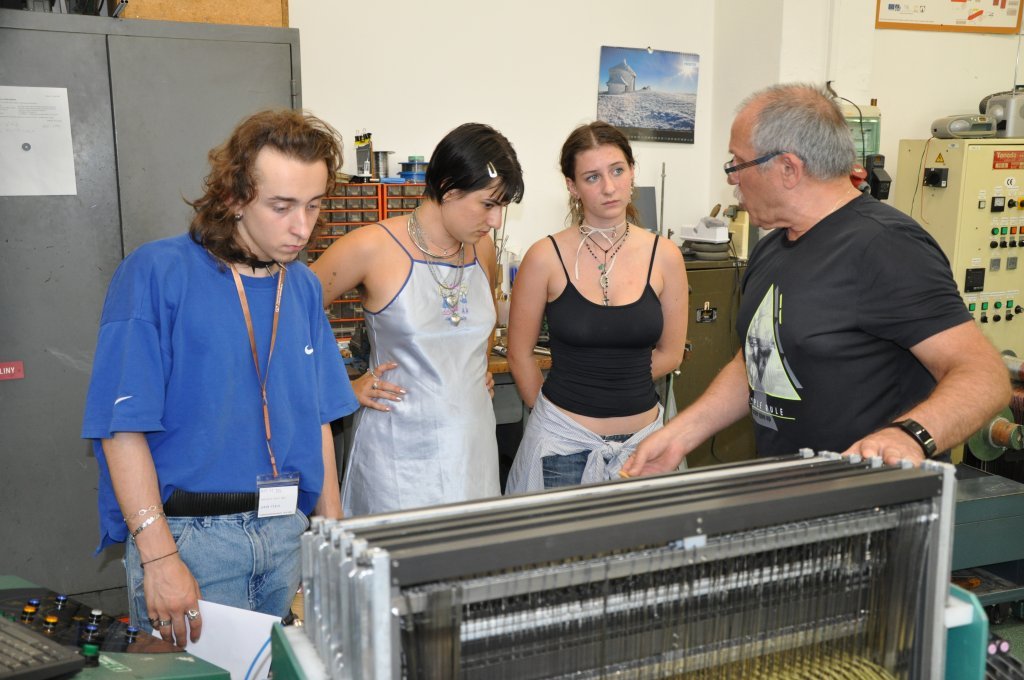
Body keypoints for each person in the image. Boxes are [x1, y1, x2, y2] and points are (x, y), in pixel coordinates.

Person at [622, 83, 1011, 476]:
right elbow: (759, 358)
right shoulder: (771, 248)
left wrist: (909, 436)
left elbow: (985, 375)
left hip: (872, 500)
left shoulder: (886, 246)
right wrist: (681, 433)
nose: (732, 179)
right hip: (790, 492)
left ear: (788, 168)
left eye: (737, 164)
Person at [81, 109, 359, 646]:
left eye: (314, 205)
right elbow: (120, 427)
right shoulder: (157, 273)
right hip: (191, 541)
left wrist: (333, 539)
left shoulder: (301, 286)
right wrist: (159, 557)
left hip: (287, 534)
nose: (302, 227)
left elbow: (318, 419)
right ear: (233, 197)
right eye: (281, 206)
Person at [310, 122, 524, 516]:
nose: (495, 221)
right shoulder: (371, 247)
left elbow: (477, 326)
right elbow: (289, 315)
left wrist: (471, 367)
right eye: (487, 205)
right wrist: (341, 388)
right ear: (447, 187)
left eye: (502, 207)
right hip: (398, 459)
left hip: (472, 449)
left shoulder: (483, 251)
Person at [504, 121, 688, 492]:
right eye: (592, 177)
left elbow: (671, 353)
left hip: (644, 446)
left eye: (617, 171)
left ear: (632, 172)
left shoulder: (665, 256)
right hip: (562, 445)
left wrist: (614, 377)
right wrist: (554, 421)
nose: (608, 187)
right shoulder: (544, 257)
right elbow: (519, 354)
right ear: (572, 186)